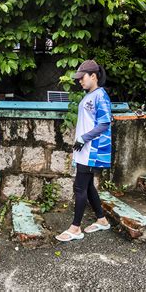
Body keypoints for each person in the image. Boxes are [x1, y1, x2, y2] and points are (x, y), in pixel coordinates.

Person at [56, 60, 112, 242]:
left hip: (91, 150)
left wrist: (84, 138)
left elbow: (105, 123)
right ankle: (102, 220)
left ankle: (75, 228)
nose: (79, 81)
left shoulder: (100, 95)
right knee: (87, 186)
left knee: (79, 187)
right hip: (84, 148)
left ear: (93, 76)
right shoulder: (89, 95)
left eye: (82, 77)